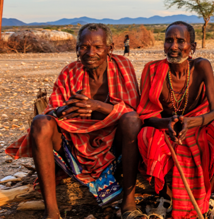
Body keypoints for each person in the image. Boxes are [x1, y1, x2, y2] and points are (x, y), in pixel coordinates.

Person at [5, 23, 143, 219]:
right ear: (77, 48)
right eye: (84, 46)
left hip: (113, 144)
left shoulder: (123, 66)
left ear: (109, 48)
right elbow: (52, 110)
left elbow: (133, 109)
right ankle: (51, 212)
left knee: (131, 120)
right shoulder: (69, 71)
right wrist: (67, 109)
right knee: (40, 122)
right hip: (74, 144)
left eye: (97, 47)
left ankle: (129, 204)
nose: (90, 52)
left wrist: (97, 106)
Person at [136, 21, 214, 219]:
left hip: (196, 125)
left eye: (181, 41)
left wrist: (190, 123)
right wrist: (168, 124)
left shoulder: (202, 66)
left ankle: (205, 195)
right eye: (169, 40)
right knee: (146, 135)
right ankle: (166, 195)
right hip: (165, 128)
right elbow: (145, 116)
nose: (174, 46)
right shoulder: (152, 70)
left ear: (192, 47)